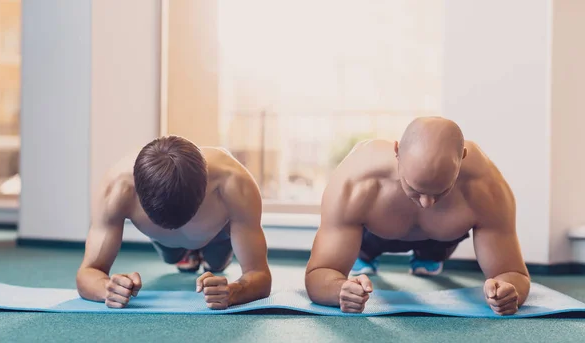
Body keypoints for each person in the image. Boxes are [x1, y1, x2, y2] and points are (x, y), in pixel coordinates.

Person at [305, 117, 530, 316]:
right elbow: (319, 273)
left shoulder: (485, 186)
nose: (427, 203)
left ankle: (430, 256)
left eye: (441, 191)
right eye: (415, 189)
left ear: (462, 158)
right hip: (372, 234)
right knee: (355, 250)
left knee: (435, 247)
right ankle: (365, 257)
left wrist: (508, 291)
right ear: (397, 152)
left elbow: (512, 272)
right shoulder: (355, 182)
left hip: (442, 238)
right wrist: (339, 290)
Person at [76, 136, 272, 310]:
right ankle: (181, 254)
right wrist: (107, 289)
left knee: (216, 264)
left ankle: (202, 255)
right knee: (172, 256)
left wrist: (233, 292)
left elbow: (259, 274)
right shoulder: (117, 188)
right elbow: (88, 271)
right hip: (163, 242)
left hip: (215, 235)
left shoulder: (235, 182)